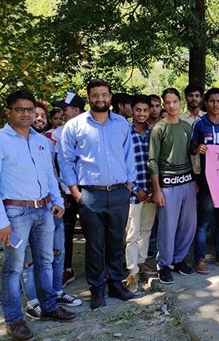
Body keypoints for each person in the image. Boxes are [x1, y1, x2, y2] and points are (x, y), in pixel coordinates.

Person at [0, 89, 75, 341]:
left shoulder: (41, 140)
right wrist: (0, 222)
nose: (25, 114)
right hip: (15, 213)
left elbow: (48, 174)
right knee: (14, 268)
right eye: (19, 109)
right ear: (8, 112)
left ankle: (49, 306)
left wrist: (57, 201)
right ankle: (14, 320)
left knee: (45, 261)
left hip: (44, 210)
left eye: (30, 110)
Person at [58, 79, 137, 309]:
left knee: (116, 241)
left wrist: (129, 185)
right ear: (88, 98)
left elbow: (128, 155)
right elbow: (65, 160)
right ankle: (96, 290)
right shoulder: (75, 125)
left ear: (110, 97)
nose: (100, 99)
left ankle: (116, 284)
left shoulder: (121, 123)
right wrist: (75, 191)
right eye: (95, 95)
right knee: (94, 244)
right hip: (90, 195)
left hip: (119, 192)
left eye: (104, 95)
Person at [23, 104, 82, 316]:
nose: (39, 118)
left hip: (52, 205)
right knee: (30, 258)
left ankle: (56, 292)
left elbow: (53, 174)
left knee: (57, 252)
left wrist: (60, 198)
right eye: (35, 114)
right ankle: (33, 301)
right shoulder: (9, 142)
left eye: (42, 115)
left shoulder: (46, 143)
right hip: (26, 209)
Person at [148, 88, 197, 284]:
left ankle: (178, 259)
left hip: (187, 181)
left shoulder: (187, 126)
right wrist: (157, 190)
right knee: (167, 227)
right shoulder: (159, 128)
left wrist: (194, 180)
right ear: (163, 104)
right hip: (167, 183)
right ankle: (163, 263)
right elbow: (152, 160)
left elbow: (190, 153)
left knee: (189, 224)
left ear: (180, 102)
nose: (171, 105)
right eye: (167, 102)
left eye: (175, 101)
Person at [190, 87, 219, 273]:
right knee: (204, 221)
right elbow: (191, 148)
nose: (215, 104)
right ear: (206, 103)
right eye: (212, 101)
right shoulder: (199, 124)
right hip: (207, 180)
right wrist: (198, 148)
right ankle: (199, 258)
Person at [50, 92, 86, 287]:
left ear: (76, 110)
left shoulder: (91, 130)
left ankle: (100, 269)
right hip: (67, 192)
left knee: (95, 232)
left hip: (90, 189)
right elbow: (56, 165)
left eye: (65, 109)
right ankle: (66, 269)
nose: (62, 113)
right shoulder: (57, 133)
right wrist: (61, 191)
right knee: (66, 231)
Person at [124, 95, 158, 292]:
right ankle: (132, 271)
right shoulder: (125, 133)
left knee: (146, 229)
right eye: (138, 110)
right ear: (132, 110)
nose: (142, 114)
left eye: (146, 110)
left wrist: (154, 189)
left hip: (151, 190)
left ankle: (141, 261)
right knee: (132, 232)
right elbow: (122, 163)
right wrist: (137, 190)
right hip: (133, 192)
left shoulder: (154, 132)